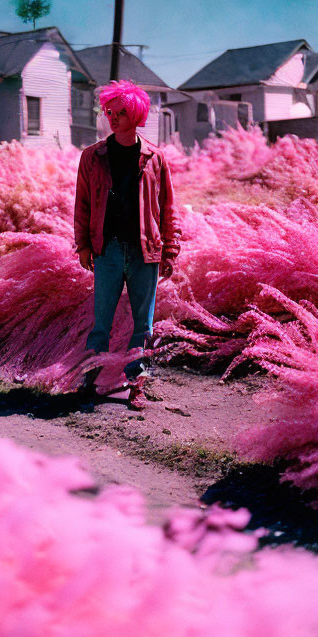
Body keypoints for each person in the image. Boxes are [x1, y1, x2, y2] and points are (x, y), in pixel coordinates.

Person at [74, 80, 180, 409]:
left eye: (121, 112)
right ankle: (90, 379)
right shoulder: (93, 156)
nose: (113, 118)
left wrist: (171, 249)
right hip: (107, 250)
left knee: (143, 325)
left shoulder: (155, 158)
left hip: (144, 251)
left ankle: (136, 384)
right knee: (101, 322)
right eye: (109, 112)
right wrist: (83, 246)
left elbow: (169, 208)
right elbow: (82, 205)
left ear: (136, 114)